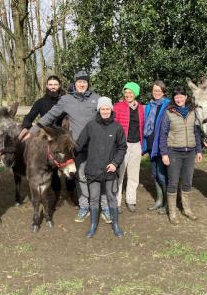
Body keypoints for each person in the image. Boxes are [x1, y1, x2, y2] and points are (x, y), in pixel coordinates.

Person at [24, 70, 111, 223]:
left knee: (100, 175)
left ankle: (104, 207)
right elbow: (49, 116)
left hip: (96, 145)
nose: (82, 84)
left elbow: (107, 116)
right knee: (80, 176)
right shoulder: (66, 100)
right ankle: (84, 207)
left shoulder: (97, 99)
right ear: (75, 83)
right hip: (76, 146)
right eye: (79, 81)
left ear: (88, 83)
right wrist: (32, 131)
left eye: (84, 81)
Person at [18, 75, 74, 206]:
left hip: (64, 137)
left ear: (59, 86)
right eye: (50, 84)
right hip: (48, 139)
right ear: (47, 86)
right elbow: (29, 116)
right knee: (52, 169)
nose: (53, 87)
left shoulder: (65, 101)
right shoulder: (41, 102)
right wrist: (26, 127)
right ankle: (57, 194)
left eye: (55, 84)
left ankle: (71, 194)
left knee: (69, 162)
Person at [75, 97, 127, 237]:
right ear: (99, 110)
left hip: (110, 170)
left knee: (111, 197)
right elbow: (79, 145)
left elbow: (122, 148)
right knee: (94, 198)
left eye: (107, 109)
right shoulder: (91, 126)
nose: (105, 111)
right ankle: (93, 225)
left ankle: (115, 225)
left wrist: (115, 163)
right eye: (102, 109)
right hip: (93, 169)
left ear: (111, 110)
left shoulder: (117, 127)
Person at [159, 86, 203, 224]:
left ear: (186, 97)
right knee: (173, 182)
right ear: (174, 98)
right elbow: (163, 133)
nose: (179, 99)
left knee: (188, 181)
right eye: (176, 96)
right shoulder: (169, 112)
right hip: (174, 151)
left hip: (189, 151)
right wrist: (164, 153)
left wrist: (199, 150)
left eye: (181, 96)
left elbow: (196, 132)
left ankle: (187, 209)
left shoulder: (192, 111)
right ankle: (172, 212)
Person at [113, 82, 144, 212]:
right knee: (120, 174)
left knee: (133, 174)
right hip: (122, 145)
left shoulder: (142, 108)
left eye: (130, 92)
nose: (128, 95)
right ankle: (117, 201)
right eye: (126, 92)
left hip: (136, 144)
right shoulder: (117, 106)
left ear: (135, 93)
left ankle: (131, 200)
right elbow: (113, 125)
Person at [142, 80, 171, 213]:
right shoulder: (149, 106)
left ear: (164, 92)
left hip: (161, 146)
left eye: (159, 90)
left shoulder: (168, 105)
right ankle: (159, 200)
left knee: (162, 174)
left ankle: (167, 203)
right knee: (154, 174)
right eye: (154, 90)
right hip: (150, 145)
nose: (157, 93)